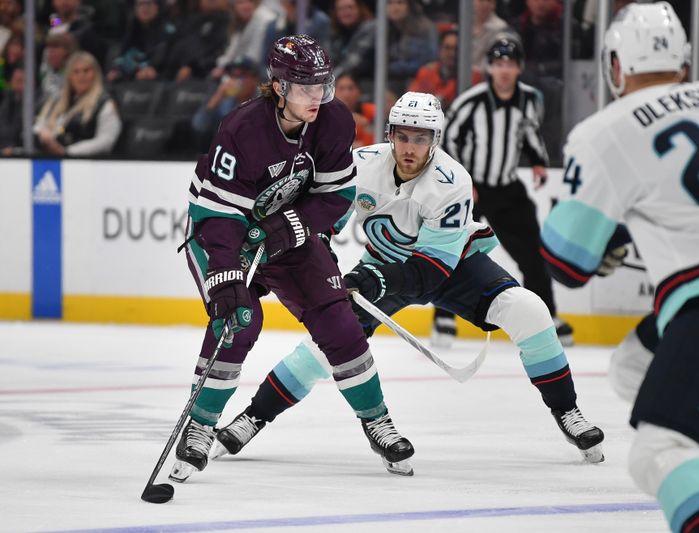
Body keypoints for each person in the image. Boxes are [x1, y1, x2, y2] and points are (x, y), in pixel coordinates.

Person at [208, 91, 605, 469]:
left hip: (453, 266)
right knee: (326, 342)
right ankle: (253, 418)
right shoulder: (361, 164)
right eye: (402, 136)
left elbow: (430, 272)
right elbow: (323, 215)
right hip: (384, 265)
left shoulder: (453, 181)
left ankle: (568, 411)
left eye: (421, 138)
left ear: (436, 140)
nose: (410, 148)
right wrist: (321, 248)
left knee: (530, 310)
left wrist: (372, 278)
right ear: (390, 135)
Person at [540, 3, 699, 532]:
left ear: (615, 67)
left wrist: (609, 234)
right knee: (635, 365)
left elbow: (567, 264)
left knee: (657, 450)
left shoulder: (605, 130)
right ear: (683, 64)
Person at [171, 34, 414, 482]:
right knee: (238, 320)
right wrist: (225, 275)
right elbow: (217, 215)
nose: (317, 97)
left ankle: (377, 420)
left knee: (339, 321)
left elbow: (337, 194)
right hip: (225, 235)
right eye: (305, 88)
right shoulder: (241, 129)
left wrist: (294, 225)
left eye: (323, 85)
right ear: (279, 87)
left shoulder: (334, 120)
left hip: (286, 232)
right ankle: (199, 427)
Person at [442, 37, 572, 348]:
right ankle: (442, 316)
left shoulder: (528, 99)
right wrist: (462, 181)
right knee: (449, 249)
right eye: (498, 64)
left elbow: (529, 131)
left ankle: (546, 315)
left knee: (533, 254)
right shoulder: (470, 102)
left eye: (510, 65)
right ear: (489, 67)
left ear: (519, 68)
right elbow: (448, 141)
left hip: (508, 188)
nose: (504, 70)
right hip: (471, 189)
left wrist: (539, 162)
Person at [34, 51, 122, 156]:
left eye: (86, 71)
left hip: (86, 165)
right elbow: (39, 124)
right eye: (76, 72)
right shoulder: (56, 100)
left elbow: (106, 141)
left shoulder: (105, 103)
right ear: (69, 76)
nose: (81, 76)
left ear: (96, 74)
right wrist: (42, 135)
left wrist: (68, 152)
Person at [191, 55, 260, 152]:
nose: (235, 82)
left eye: (241, 76)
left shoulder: (265, 99)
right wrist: (218, 96)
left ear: (255, 79)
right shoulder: (226, 101)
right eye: (233, 76)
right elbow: (199, 125)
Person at [408, 28, 483, 111]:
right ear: (439, 50)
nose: (452, 53)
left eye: (456, 49)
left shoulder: (474, 76)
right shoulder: (426, 72)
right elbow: (411, 102)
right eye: (447, 48)